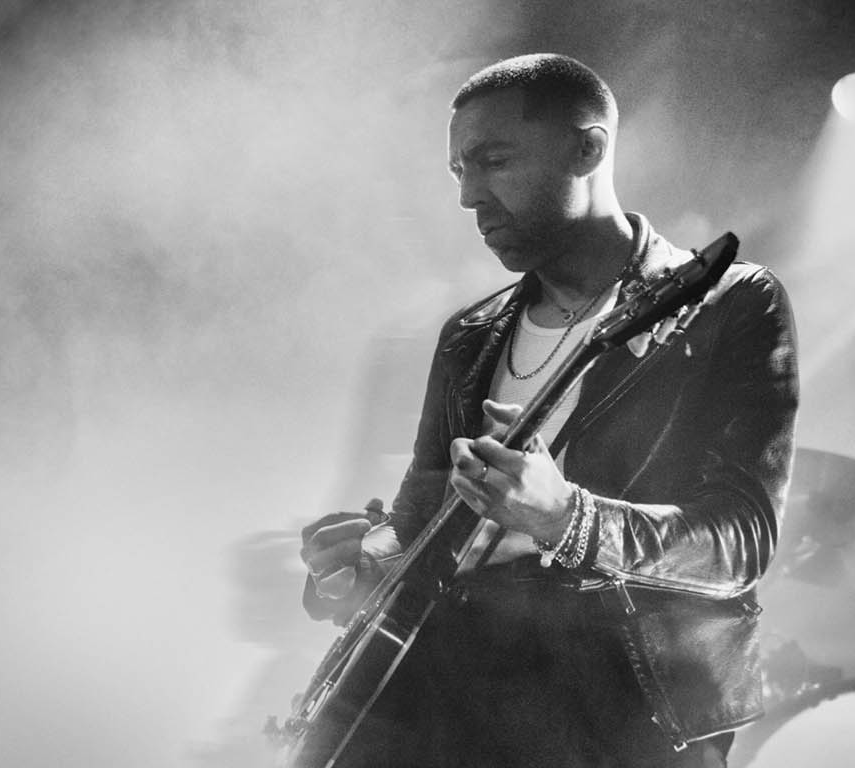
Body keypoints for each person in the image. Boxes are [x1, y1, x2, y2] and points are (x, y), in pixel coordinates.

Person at [298, 53, 799, 768]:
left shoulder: (725, 305)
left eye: (493, 161)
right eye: (458, 172)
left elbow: (739, 541)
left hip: (617, 714)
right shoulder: (469, 336)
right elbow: (420, 520)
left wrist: (567, 518)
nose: (470, 196)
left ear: (588, 149)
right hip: (441, 699)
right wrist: (355, 564)